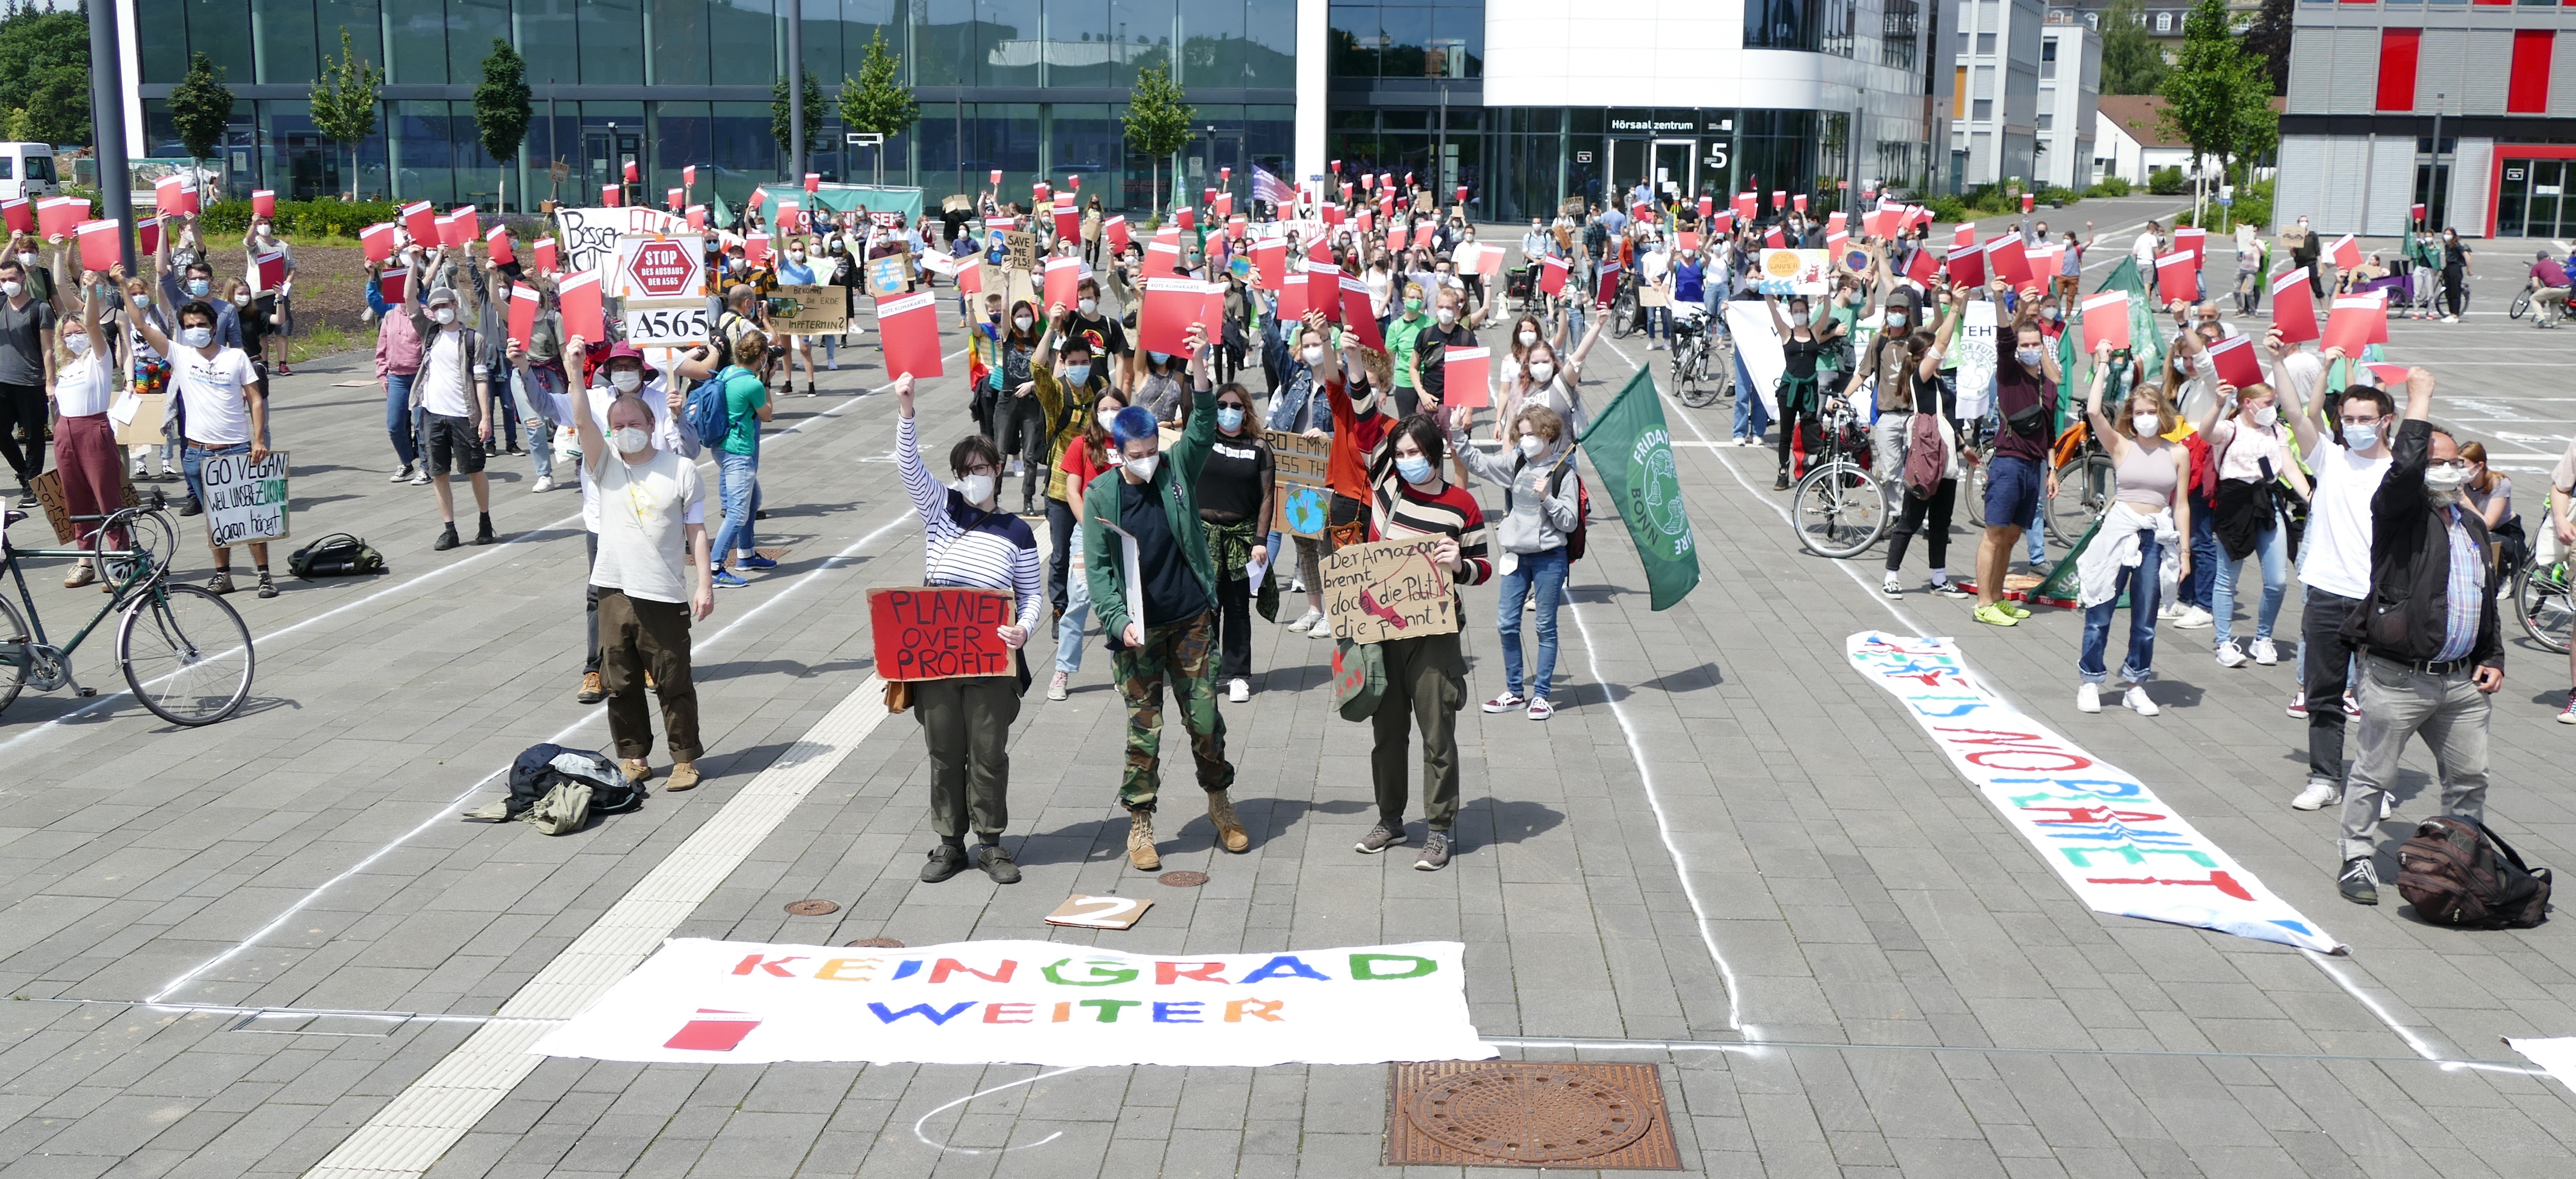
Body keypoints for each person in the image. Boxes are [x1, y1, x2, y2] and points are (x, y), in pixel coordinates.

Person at [1080, 325, 1247, 872]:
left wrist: (1197, 367)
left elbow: (1200, 427)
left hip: (1190, 620)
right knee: (1143, 728)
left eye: (1153, 450)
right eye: (1138, 454)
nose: (1148, 460)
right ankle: (1140, 820)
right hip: (1138, 633)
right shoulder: (1102, 494)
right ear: (1118, 451)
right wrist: (1116, 618)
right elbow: (1100, 571)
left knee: (1204, 719)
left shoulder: (1175, 472)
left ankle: (1219, 800)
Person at [2333, 369, 2503, 904]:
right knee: (2373, 773)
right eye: (2434, 461)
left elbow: (2482, 596)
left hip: (2458, 682)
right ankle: (2356, 855)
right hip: (2397, 678)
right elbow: (2404, 470)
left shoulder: (2470, 523)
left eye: (2454, 461)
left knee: (2468, 777)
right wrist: (2419, 401)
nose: (2446, 470)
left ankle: (2458, 857)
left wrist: (2492, 655)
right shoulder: (2398, 514)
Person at [893, 372, 1037, 883]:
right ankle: (948, 842)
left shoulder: (1018, 531)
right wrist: (906, 410)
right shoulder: (942, 509)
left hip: (992, 657)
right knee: (943, 751)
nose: (973, 476)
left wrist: (1023, 629)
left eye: (981, 468)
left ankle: (992, 843)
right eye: (965, 470)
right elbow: (910, 469)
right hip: (937, 653)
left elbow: (1033, 594)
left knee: (988, 752)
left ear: (998, 470)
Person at [509, 337, 703, 704]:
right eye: (618, 367)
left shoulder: (664, 401)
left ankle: (649, 661)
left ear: (643, 370)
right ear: (608, 371)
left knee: (654, 592)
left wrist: (680, 418)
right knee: (600, 596)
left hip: (655, 518)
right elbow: (546, 405)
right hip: (605, 518)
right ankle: (594, 669)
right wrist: (524, 368)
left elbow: (690, 451)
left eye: (631, 366)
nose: (624, 373)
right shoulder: (595, 400)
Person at [569, 342, 714, 794]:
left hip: (663, 593)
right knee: (620, 682)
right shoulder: (604, 465)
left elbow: (697, 533)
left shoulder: (681, 470)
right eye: (618, 426)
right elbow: (580, 420)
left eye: (634, 424)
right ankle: (633, 757)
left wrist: (705, 585)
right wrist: (575, 372)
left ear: (652, 425)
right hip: (614, 590)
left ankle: (684, 759)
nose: (626, 431)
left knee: (674, 680)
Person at [1352, 413, 1493, 872]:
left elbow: (1481, 566)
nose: (1405, 460)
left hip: (1434, 636)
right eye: (1399, 453)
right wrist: (1350, 355)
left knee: (1438, 735)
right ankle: (1389, 819)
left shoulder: (1461, 505)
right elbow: (1362, 415)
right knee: (1386, 733)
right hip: (1383, 631)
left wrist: (1459, 565)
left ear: (1434, 452)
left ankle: (1437, 829)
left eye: (1414, 453)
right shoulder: (1386, 486)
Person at [2273, 339, 2393, 811]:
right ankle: (2324, 777)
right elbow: (2295, 409)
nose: (2356, 426)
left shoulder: (2397, 469)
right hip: (2325, 593)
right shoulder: (2328, 457)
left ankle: (2373, 785)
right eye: (2349, 419)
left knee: (2380, 703)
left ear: (2385, 421)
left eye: (2366, 419)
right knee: (2323, 693)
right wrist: (2277, 362)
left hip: (2377, 598)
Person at [124, 269, 277, 598]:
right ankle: (224, 575)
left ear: (213, 326)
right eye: (189, 327)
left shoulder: (235, 357)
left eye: (201, 325)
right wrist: (123, 286)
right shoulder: (179, 355)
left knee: (248, 513)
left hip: (236, 448)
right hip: (198, 452)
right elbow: (140, 324)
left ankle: (264, 575)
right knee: (215, 517)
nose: (195, 331)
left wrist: (260, 439)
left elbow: (255, 399)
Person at [2073, 345, 2191, 714]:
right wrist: (2103, 364)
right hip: (2119, 530)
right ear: (2130, 416)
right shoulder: (2121, 445)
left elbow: (2181, 504)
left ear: (2162, 414)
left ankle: (2135, 683)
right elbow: (2093, 411)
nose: (2145, 418)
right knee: (2101, 610)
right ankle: (2090, 681)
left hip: (2155, 535)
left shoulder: (2177, 453)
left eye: (2151, 412)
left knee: (2145, 618)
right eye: (2138, 412)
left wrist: (2185, 552)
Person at [1447, 402, 1578, 718]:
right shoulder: (1517, 462)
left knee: (1545, 626)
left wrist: (1547, 498)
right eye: (1520, 435)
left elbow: (1570, 522)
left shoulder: (1563, 473)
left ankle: (1542, 695)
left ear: (1548, 436)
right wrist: (1455, 432)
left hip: (1549, 559)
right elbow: (1480, 464)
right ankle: (1515, 692)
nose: (1524, 441)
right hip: (1516, 556)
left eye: (1530, 435)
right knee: (1506, 624)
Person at [1973, 300, 2061, 626]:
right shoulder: (2008, 374)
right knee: (1994, 534)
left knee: (2011, 536)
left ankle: (1997, 598)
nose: (2029, 350)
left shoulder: (2046, 384)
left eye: (2035, 345)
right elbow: (2004, 340)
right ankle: (1983, 604)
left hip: (2033, 466)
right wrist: (2005, 304)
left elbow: (2049, 431)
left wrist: (2052, 469)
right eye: (2024, 345)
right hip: (2008, 463)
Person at [401, 275, 500, 550]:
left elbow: (481, 379)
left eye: (444, 305)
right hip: (432, 414)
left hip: (464, 414)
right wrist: (414, 261)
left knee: (474, 469)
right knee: (438, 472)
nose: (440, 311)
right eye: (435, 307)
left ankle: (484, 520)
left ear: (455, 305)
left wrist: (485, 418)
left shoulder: (473, 339)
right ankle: (449, 529)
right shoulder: (429, 332)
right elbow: (409, 299)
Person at [1879, 302, 1970, 598]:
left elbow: (1948, 422)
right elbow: (1942, 340)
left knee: (1941, 523)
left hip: (1947, 460)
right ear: (1924, 357)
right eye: (1935, 353)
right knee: (1910, 520)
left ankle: (1939, 578)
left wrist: (1964, 446)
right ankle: (1891, 576)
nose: (1942, 355)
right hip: (1926, 459)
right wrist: (1955, 308)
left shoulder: (1940, 382)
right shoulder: (1921, 379)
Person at [1196, 379, 1274, 703]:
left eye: (1236, 406)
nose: (1229, 412)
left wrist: (1260, 540)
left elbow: (1268, 496)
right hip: (1203, 537)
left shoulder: (1258, 447)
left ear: (1246, 411)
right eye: (1223, 405)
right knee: (1205, 608)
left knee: (1238, 608)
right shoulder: (1202, 440)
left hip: (1240, 538)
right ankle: (1207, 670)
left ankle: (1238, 673)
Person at [1050, 385, 1129, 699]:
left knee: (1121, 603)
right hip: (1089, 535)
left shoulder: (1132, 444)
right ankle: (1062, 671)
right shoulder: (1081, 445)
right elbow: (1072, 491)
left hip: (1124, 535)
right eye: (1104, 409)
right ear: (1095, 413)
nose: (1110, 415)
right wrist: (1089, 527)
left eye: (1116, 409)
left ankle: (1121, 668)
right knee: (1078, 602)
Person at [1034, 312, 1111, 615]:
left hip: (1098, 481)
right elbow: (1039, 368)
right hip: (1061, 484)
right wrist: (1052, 329)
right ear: (1063, 364)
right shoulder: (1056, 392)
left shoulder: (1100, 385)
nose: (1080, 367)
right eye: (1073, 362)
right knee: (1062, 552)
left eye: (1084, 362)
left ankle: (1110, 605)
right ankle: (1059, 608)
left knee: (1105, 547)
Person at [47, 279, 116, 588]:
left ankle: (120, 558)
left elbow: (92, 325)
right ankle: (85, 561)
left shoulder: (98, 359)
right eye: (68, 335)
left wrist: (89, 291)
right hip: (66, 431)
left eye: (79, 333)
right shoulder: (67, 368)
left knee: (106, 496)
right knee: (76, 499)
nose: (75, 338)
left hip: (93, 427)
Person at [703, 329, 775, 588]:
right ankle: (714, 568)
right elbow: (766, 415)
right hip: (739, 453)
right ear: (763, 356)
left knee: (753, 499)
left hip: (721, 447)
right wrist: (766, 382)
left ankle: (746, 554)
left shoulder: (727, 373)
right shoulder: (752, 384)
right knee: (737, 512)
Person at [1768, 291, 1848, 491]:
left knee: (1810, 431)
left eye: (1803, 311)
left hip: (1810, 390)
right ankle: (1783, 473)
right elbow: (1772, 310)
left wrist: (1827, 292)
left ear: (1808, 312)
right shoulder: (1787, 333)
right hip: (1789, 389)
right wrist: (1768, 288)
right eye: (1796, 311)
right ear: (1792, 313)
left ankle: (1810, 472)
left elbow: (1827, 309)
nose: (1799, 314)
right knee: (1786, 433)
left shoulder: (1815, 332)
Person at [0, 252, 55, 506]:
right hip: (3, 382)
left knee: (34, 437)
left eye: (12, 278)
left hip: (31, 382)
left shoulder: (40, 309)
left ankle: (33, 485)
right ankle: (27, 476)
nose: (8, 283)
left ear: (23, 278)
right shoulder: (1, 305)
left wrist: (50, 381)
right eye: (3, 280)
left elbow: (48, 348)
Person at [994, 299, 1047, 513]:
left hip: (1031, 402)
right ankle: (994, 498)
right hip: (1007, 400)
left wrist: (1032, 384)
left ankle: (1028, 499)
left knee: (1030, 456)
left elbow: (1047, 373)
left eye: (1027, 315)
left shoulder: (1039, 341)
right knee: (1000, 453)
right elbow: (1005, 309)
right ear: (1014, 319)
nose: (1023, 319)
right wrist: (1006, 283)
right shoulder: (1008, 338)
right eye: (1019, 316)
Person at [1383, 280, 1430, 416]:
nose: (1415, 301)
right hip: (1405, 381)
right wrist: (1384, 387)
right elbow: (1389, 359)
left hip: (1427, 381)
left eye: (1418, 298)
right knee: (1407, 422)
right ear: (1404, 300)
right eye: (1412, 298)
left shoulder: (1430, 323)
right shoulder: (1396, 327)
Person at [2526, 250, 2568, 328]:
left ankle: (2542, 320)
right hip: (2568, 288)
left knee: (2534, 299)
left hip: (2554, 288)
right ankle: (2555, 323)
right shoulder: (2555, 264)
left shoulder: (2536, 267)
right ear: (2548, 257)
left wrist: (2540, 296)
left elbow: (2535, 285)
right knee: (2555, 302)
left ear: (2538, 259)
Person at [2437, 228, 2473, 322]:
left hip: (2455, 268)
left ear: (2453, 235)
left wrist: (2469, 269)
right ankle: (2451, 313)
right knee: (2448, 292)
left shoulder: (2457, 245)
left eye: (2449, 234)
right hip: (2448, 268)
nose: (2447, 236)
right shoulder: (2447, 245)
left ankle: (2455, 315)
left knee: (2455, 292)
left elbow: (2467, 255)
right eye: (2446, 234)